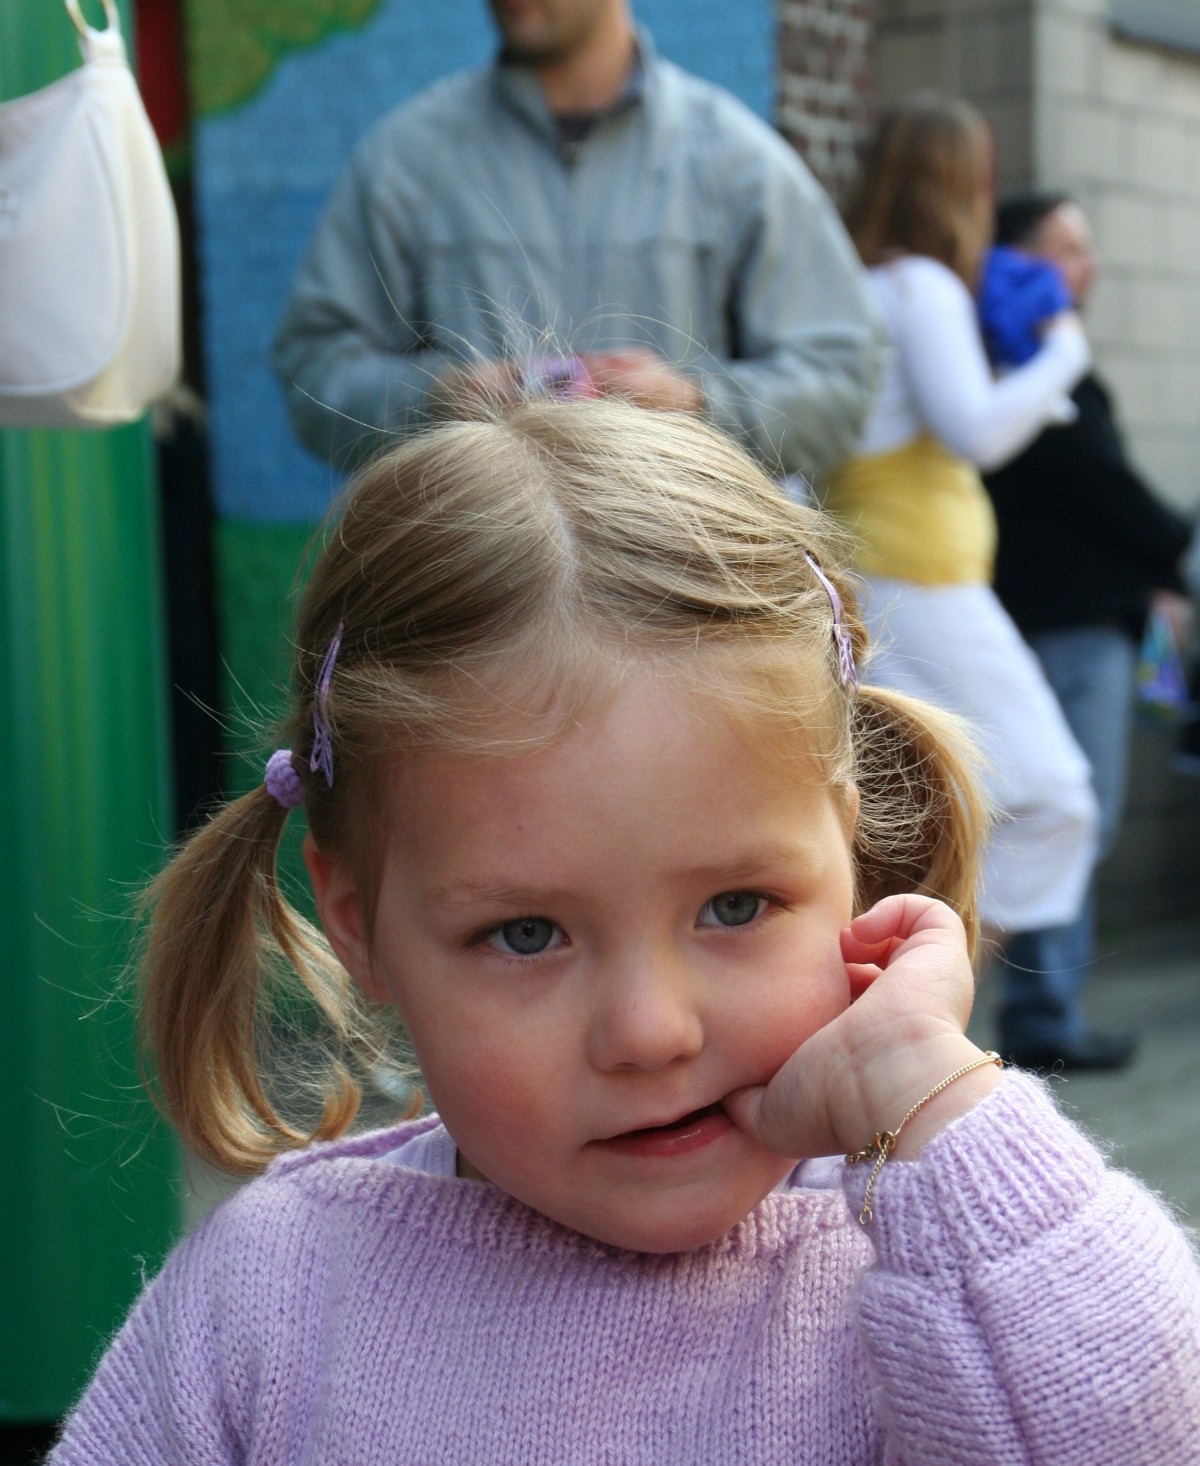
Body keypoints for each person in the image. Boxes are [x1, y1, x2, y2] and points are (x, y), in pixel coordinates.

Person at [4, 401, 1200, 1466]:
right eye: (525, 933)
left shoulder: (925, 1277)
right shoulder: (267, 1305)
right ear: (360, 924)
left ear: (852, 854)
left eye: (737, 905)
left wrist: (938, 1112)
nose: (648, 1030)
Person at [272, 0, 880, 483]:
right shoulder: (405, 162)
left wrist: (697, 406)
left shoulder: (739, 165)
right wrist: (436, 400)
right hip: (478, 581)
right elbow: (313, 368)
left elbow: (844, 375)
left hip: (680, 584)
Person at [824, 93, 1099, 946]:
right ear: (959, 184)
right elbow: (974, 429)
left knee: (919, 799)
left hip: (880, 571)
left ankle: (911, 968)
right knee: (1051, 793)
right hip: (921, 575)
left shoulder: (858, 283)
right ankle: (937, 977)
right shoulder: (924, 286)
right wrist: (1065, 353)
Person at [984, 191, 1197, 1071]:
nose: (1090, 265)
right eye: (1069, 248)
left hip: (1057, 619)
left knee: (1060, 813)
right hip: (1064, 627)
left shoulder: (1019, 357)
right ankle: (1039, 1013)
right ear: (1020, 262)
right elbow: (1098, 484)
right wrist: (1173, 546)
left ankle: (1045, 1008)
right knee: (1074, 812)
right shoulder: (1032, 361)